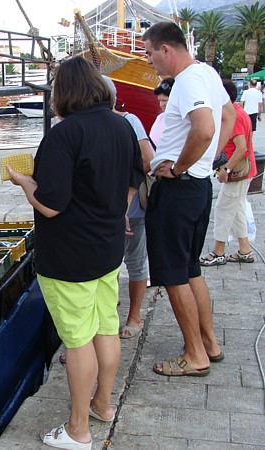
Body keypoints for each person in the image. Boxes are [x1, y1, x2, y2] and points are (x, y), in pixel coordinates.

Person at [7, 56, 143, 450]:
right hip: (107, 249)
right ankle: (103, 404)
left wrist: (23, 182)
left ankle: (78, 430)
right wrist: (112, 214)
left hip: (69, 257)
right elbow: (133, 182)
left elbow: (50, 204)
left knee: (78, 339)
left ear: (63, 93)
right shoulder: (122, 125)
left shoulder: (64, 135)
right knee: (106, 326)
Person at [142, 22, 235, 377]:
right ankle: (209, 342)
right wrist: (208, 160)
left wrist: (181, 166)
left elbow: (206, 128)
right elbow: (226, 116)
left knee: (173, 274)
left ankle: (194, 354)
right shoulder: (208, 74)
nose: (149, 61)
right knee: (191, 268)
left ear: (166, 49)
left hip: (179, 189)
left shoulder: (187, 82)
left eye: (150, 53)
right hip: (197, 188)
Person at [102, 76, 154, 339]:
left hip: (130, 207)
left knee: (134, 261)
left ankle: (135, 315)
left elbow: (147, 161)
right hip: (103, 210)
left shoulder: (129, 121)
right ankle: (109, 314)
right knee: (106, 265)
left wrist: (121, 185)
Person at [199, 79, 257, 266]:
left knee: (223, 209)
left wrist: (226, 169)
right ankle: (245, 249)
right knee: (236, 209)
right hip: (243, 171)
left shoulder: (235, 116)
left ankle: (218, 251)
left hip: (237, 172)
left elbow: (241, 148)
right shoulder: (239, 112)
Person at [149, 77, 175, 147]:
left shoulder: (185, 121)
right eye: (160, 101)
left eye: (165, 100)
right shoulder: (160, 118)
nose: (161, 105)